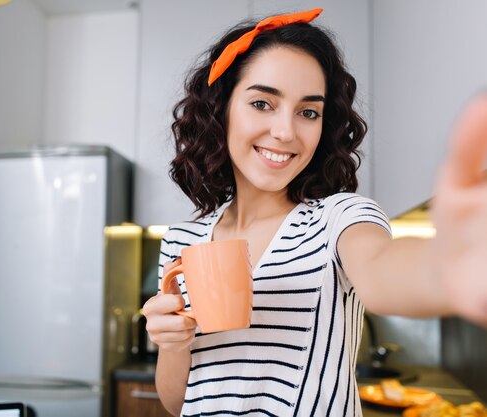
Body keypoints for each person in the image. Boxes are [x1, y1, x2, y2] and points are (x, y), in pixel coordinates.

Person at [142, 8, 487, 417]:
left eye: (309, 112)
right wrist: (172, 344)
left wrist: (449, 268)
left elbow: (382, 272)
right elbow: (178, 401)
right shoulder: (182, 241)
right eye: (262, 103)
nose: (286, 131)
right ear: (222, 109)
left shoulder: (339, 217)